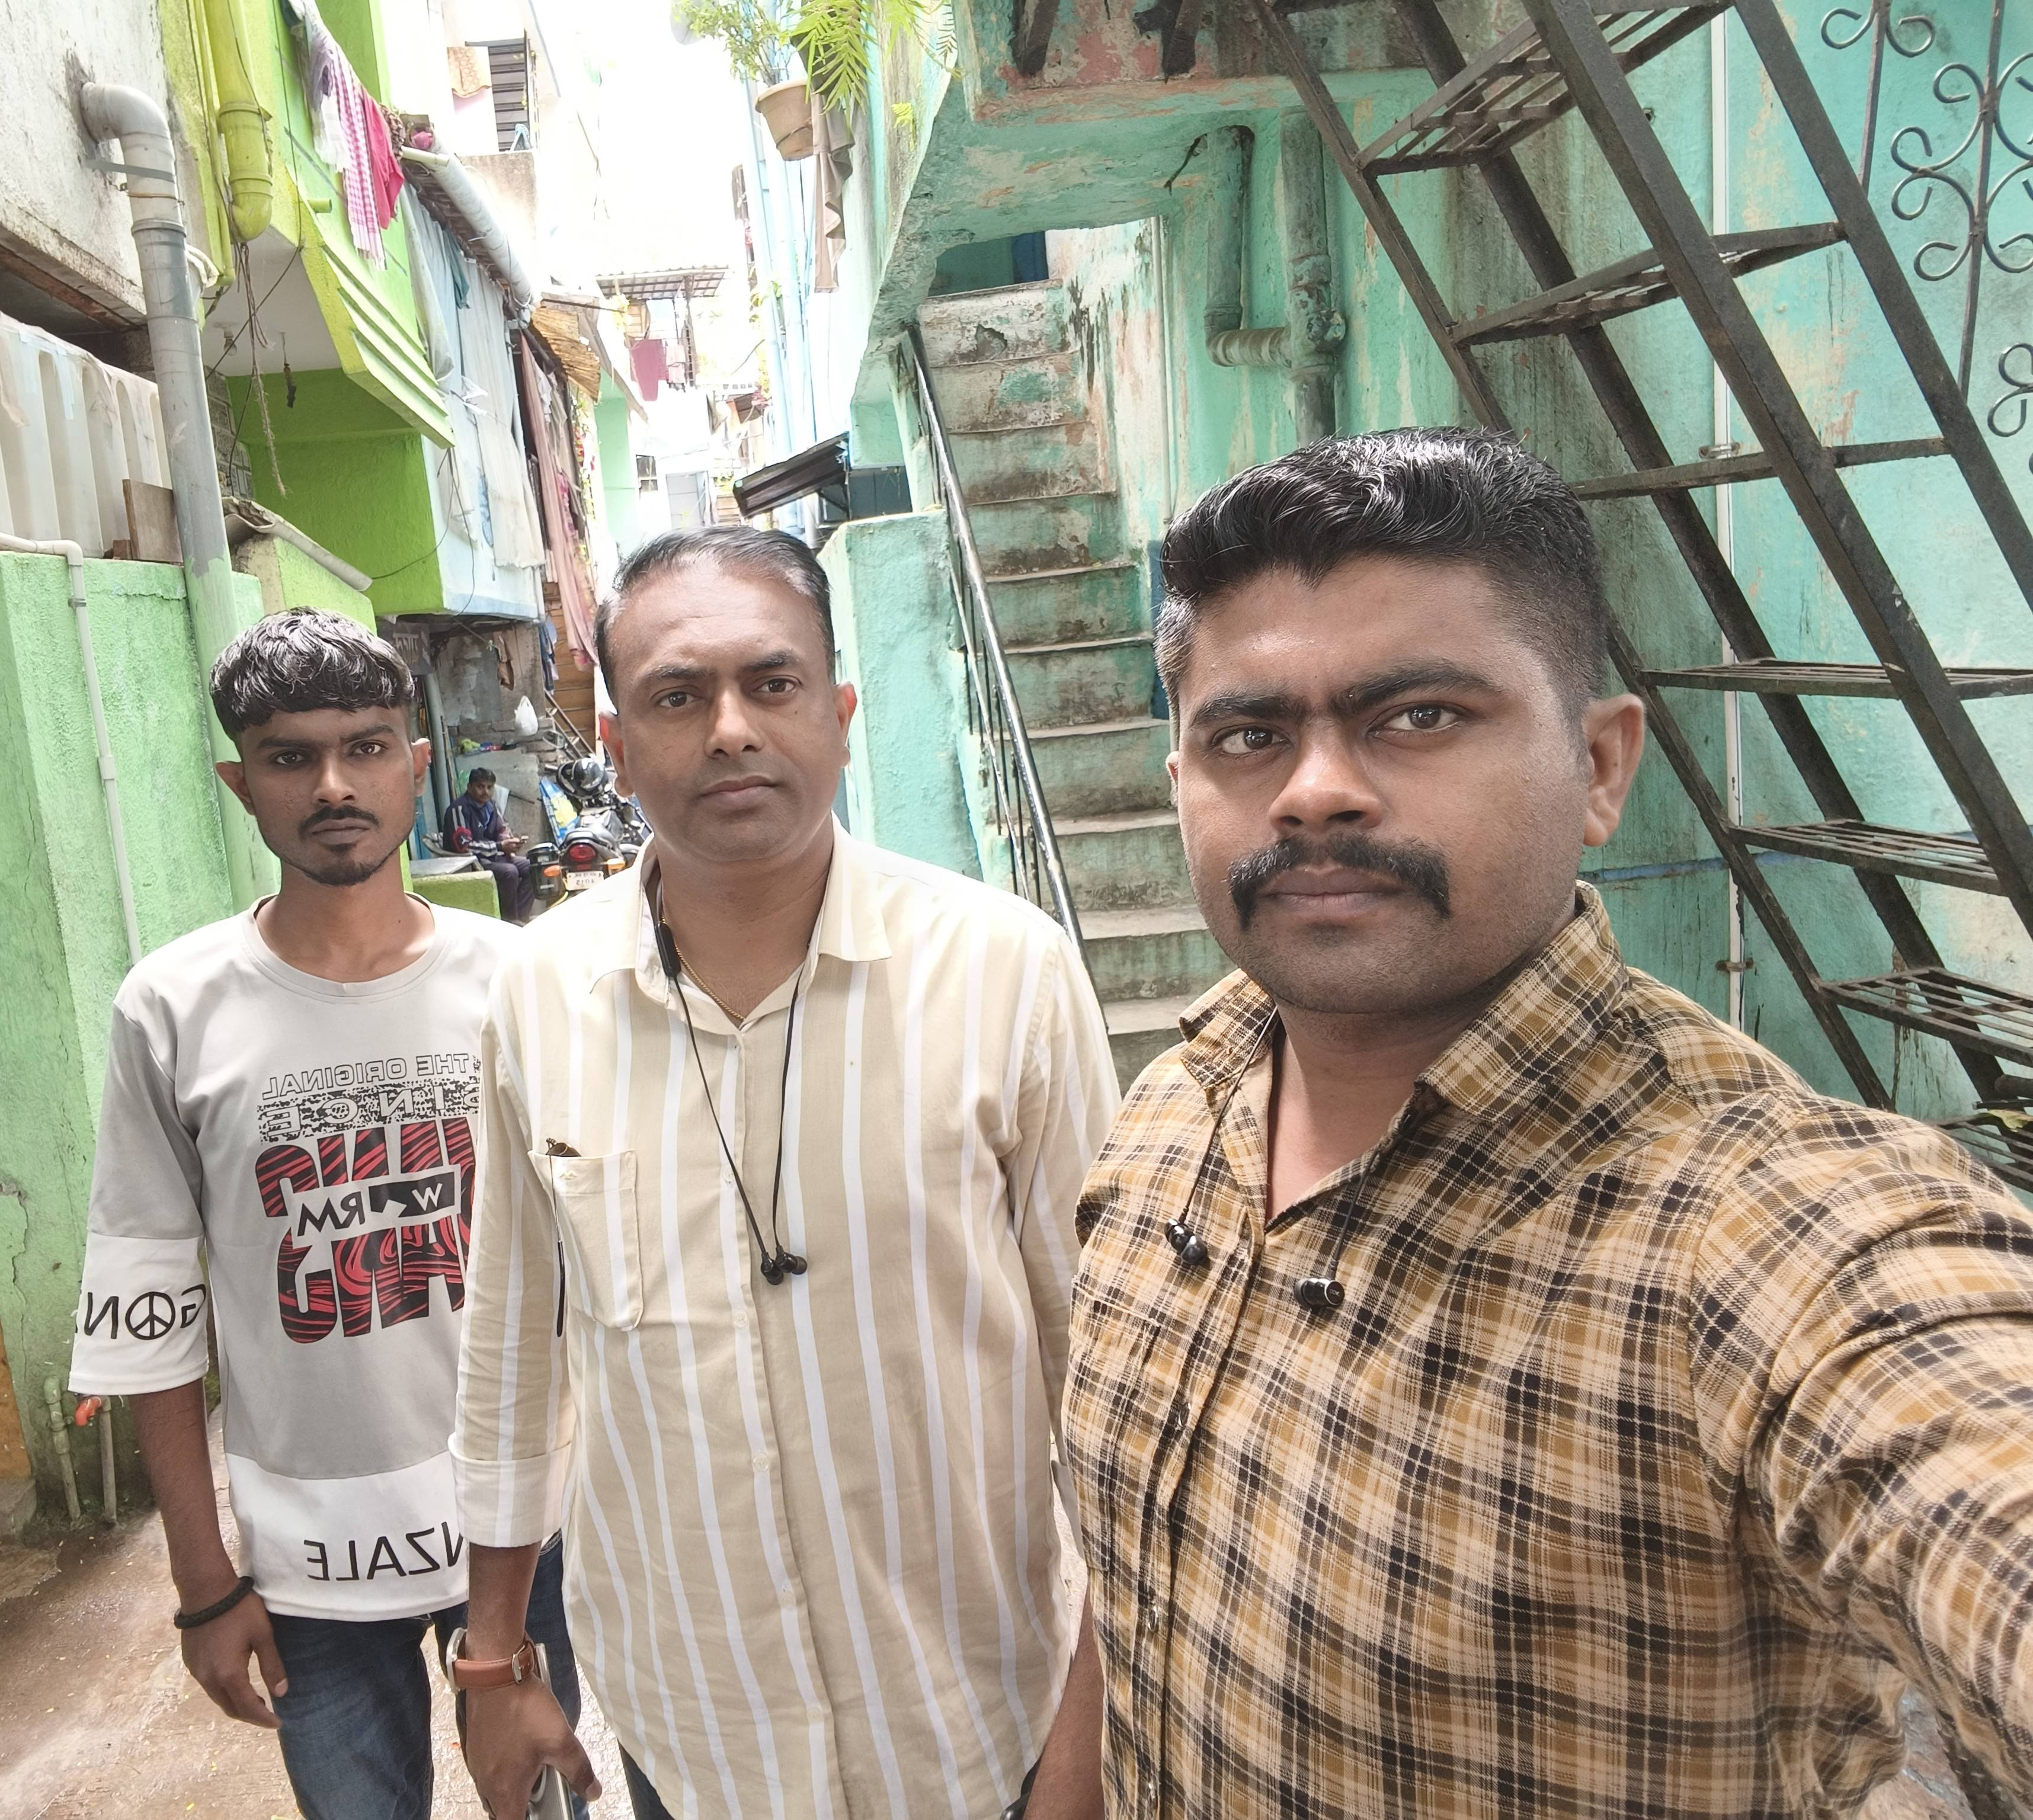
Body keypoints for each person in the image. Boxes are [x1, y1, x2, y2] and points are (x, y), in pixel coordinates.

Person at [1038, 428, 2033, 1818]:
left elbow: (1961, 1453)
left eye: (1417, 716)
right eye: (1249, 736)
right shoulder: (1168, 1114)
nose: (1313, 788)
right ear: (1181, 786)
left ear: (1600, 764)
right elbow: (1132, 1594)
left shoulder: (1749, 1223)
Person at [450, 526, 1120, 1819]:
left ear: (840, 714)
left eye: (772, 683)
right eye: (676, 696)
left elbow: (1107, 1382)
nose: (730, 731)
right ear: (614, 742)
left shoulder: (1004, 972)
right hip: (694, 1731)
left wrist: (1086, 1742)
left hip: (975, 1718)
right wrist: (493, 1660)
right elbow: (510, 1350)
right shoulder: (538, 993)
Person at [67, 609, 582, 1819]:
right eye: (290, 756)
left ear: (416, 761)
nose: (334, 786)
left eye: (366, 746)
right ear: (238, 780)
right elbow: (150, 1309)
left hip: (526, 1527)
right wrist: (204, 1581)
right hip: (312, 1564)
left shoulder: (517, 982)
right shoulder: (171, 1008)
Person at [449, 765, 536, 923]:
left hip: (494, 856)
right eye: (480, 787)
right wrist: (500, 846)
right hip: (473, 861)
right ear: (469, 787)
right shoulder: (460, 808)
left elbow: (502, 828)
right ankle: (510, 920)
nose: (486, 792)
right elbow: (463, 846)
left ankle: (521, 916)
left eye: (490, 787)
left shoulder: (491, 806)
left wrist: (510, 842)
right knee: (510, 872)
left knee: (532, 867)